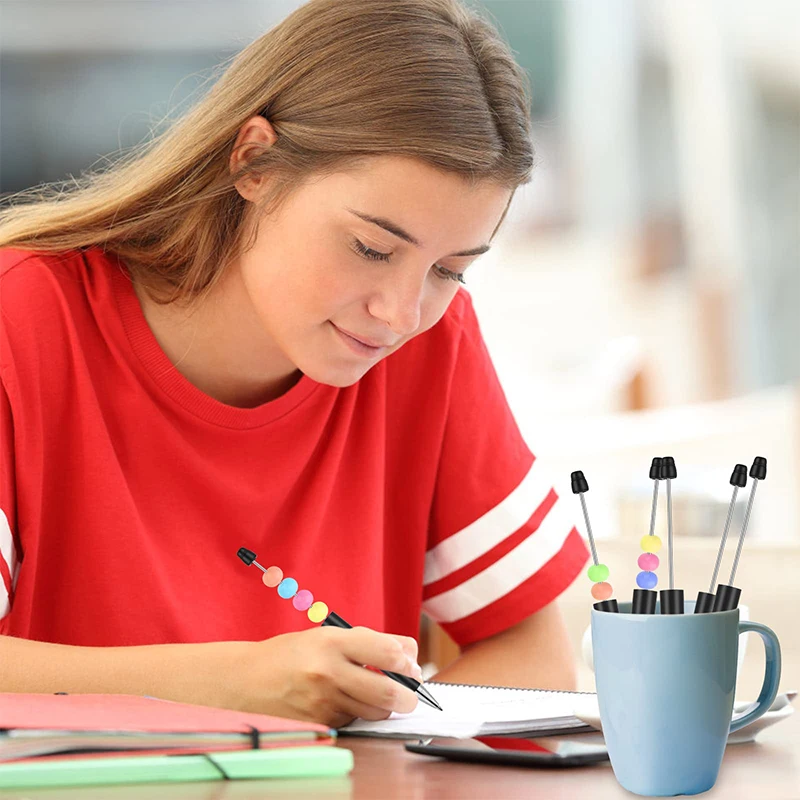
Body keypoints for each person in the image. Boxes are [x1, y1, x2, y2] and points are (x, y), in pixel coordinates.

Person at [0, 0, 588, 728]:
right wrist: (235, 683)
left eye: (452, 269)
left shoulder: (426, 344)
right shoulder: (20, 326)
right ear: (254, 162)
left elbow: (538, 655)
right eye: (372, 248)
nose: (401, 312)